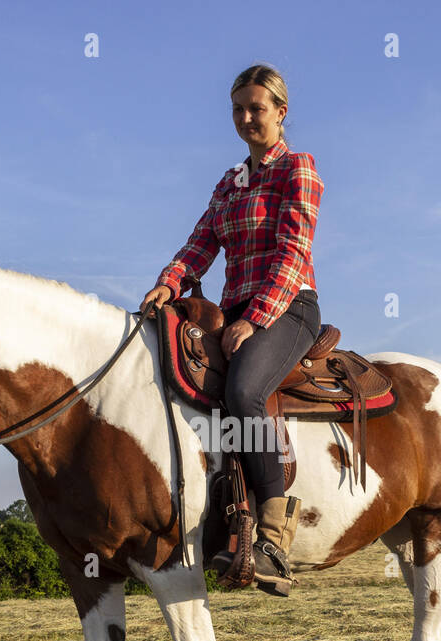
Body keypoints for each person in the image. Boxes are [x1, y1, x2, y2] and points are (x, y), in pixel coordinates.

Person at [141, 63, 324, 596]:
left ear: (281, 113)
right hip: (235, 310)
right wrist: (169, 284)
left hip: (288, 307)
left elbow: (293, 254)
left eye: (257, 108)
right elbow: (200, 244)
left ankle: (272, 536)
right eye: (238, 109)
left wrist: (254, 318)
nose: (246, 118)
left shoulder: (299, 169)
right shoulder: (230, 182)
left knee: (244, 388)